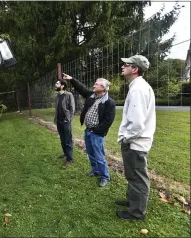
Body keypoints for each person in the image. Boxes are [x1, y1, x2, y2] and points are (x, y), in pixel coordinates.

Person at [116, 55, 156, 221]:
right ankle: (133, 201)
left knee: (138, 178)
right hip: (134, 142)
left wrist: (126, 138)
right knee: (133, 175)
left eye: (127, 64)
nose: (123, 66)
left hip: (135, 143)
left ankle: (136, 212)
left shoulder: (138, 89)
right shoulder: (137, 87)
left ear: (135, 69)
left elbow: (137, 123)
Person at [63, 74, 116, 187]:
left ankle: (105, 177)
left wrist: (96, 130)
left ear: (103, 88)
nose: (93, 85)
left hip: (97, 133)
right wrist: (72, 79)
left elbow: (108, 121)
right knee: (91, 153)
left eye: (96, 84)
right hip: (88, 131)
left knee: (99, 156)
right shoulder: (91, 96)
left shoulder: (109, 102)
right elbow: (81, 88)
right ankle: (95, 170)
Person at [54, 79, 75, 167]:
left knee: (68, 140)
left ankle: (69, 159)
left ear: (62, 86)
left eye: (57, 83)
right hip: (59, 121)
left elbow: (72, 109)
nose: (55, 84)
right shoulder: (57, 96)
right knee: (62, 140)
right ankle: (66, 153)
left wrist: (68, 119)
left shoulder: (69, 95)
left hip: (66, 121)